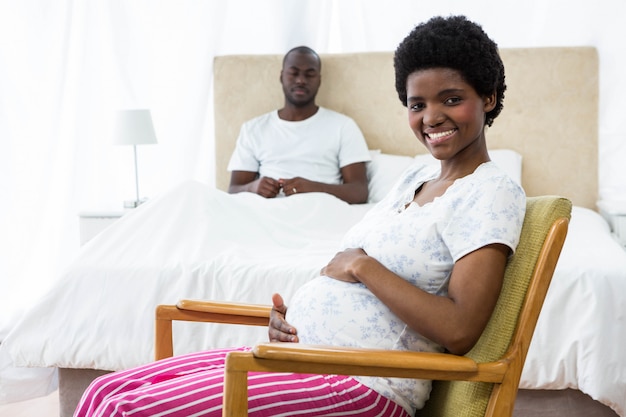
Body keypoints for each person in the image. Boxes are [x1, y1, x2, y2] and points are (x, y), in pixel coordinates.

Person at [74, 15, 526, 417]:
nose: (431, 117)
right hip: (303, 356)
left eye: (450, 99)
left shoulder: (490, 192)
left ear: (487, 97)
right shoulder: (414, 177)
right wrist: (296, 316)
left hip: (362, 383)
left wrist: (360, 265)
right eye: (416, 104)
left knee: (124, 408)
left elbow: (461, 329)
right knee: (106, 389)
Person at [227, 46, 371, 204]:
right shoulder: (253, 129)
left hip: (321, 212)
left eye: (309, 74)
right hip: (267, 214)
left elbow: (359, 192)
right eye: (294, 73)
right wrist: (253, 188)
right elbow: (233, 190)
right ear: (282, 76)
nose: (301, 80)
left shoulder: (343, 126)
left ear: (319, 80)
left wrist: (314, 188)